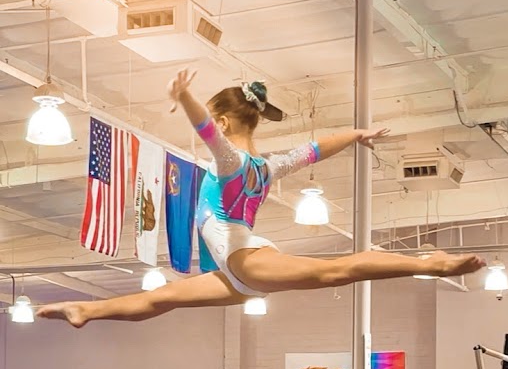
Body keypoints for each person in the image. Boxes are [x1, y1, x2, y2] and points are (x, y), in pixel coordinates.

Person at [38, 70, 484, 328]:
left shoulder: (231, 161)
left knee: (334, 271)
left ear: (225, 122)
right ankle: (86, 309)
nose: (214, 130)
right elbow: (314, 149)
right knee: (162, 299)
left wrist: (186, 96)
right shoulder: (268, 166)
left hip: (245, 261)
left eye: (216, 122)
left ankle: (431, 264)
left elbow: (205, 131)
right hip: (237, 271)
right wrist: (355, 133)